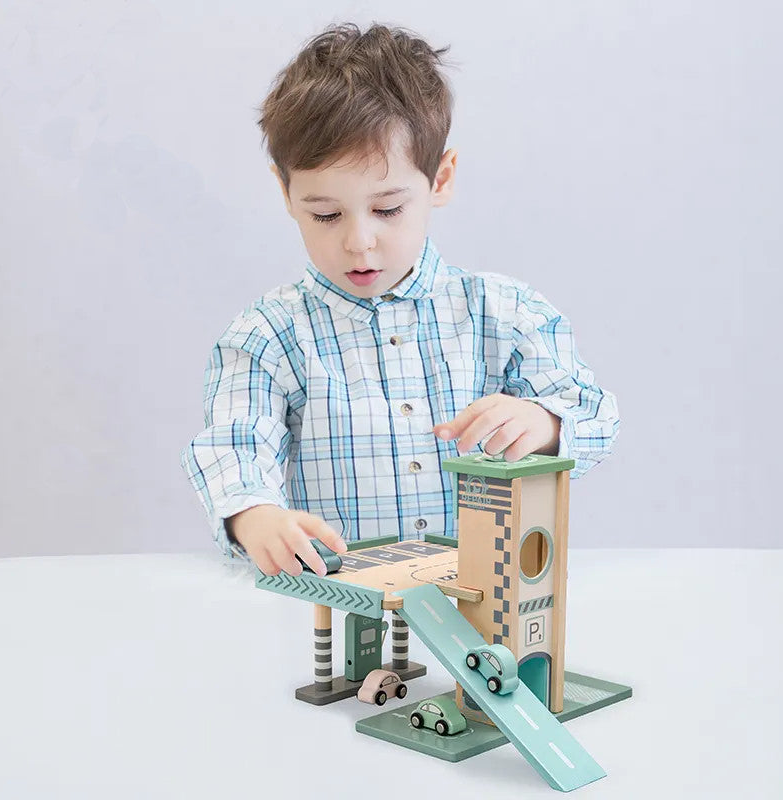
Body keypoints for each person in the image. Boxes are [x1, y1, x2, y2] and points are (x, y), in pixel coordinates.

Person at [180, 22, 620, 578]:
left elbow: (595, 414)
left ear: (441, 179)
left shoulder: (505, 313)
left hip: (484, 593)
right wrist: (255, 514)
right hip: (345, 595)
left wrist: (546, 422)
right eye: (326, 214)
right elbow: (233, 446)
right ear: (286, 192)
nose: (359, 241)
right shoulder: (267, 336)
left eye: (387, 209)